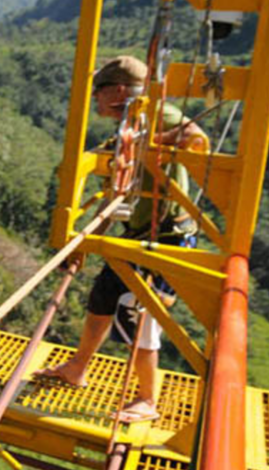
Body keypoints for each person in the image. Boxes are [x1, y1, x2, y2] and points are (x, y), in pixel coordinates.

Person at [36, 55, 207, 423]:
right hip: (140, 232)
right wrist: (84, 243)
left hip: (169, 238)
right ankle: (77, 368)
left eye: (97, 92)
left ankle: (147, 400)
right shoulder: (129, 126)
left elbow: (194, 137)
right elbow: (111, 194)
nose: (94, 100)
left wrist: (148, 145)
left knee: (137, 312)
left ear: (116, 91)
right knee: (103, 296)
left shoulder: (157, 113)